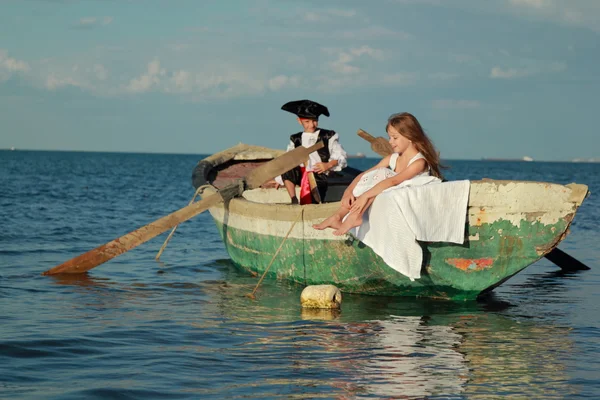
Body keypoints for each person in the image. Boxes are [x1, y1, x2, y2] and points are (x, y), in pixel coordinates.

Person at [313, 112, 443, 235]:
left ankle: (355, 215)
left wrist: (365, 196)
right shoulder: (393, 158)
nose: (390, 142)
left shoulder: (419, 162)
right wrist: (348, 191)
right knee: (375, 174)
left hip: (413, 201)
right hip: (393, 193)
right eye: (389, 137)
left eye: (395, 137)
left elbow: (394, 181)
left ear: (410, 137)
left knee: (383, 173)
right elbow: (364, 175)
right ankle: (338, 216)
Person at [274, 99, 348, 204]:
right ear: (299, 121)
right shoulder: (296, 138)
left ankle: (315, 204)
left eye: (314, 121)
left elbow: (341, 156)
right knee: (288, 168)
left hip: (318, 173)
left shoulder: (327, 136)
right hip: (300, 172)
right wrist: (279, 179)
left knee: (315, 196)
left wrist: (328, 165)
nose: (312, 125)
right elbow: (288, 158)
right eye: (307, 122)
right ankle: (293, 198)